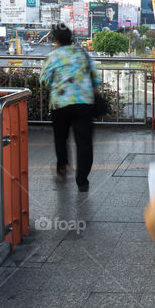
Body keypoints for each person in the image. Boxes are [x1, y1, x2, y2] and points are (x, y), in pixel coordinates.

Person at [40, 27, 101, 191]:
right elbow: (95, 79)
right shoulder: (82, 54)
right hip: (84, 102)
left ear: (56, 40)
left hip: (60, 103)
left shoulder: (53, 57)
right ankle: (82, 180)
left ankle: (62, 167)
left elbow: (44, 81)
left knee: (61, 138)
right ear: (71, 38)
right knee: (84, 143)